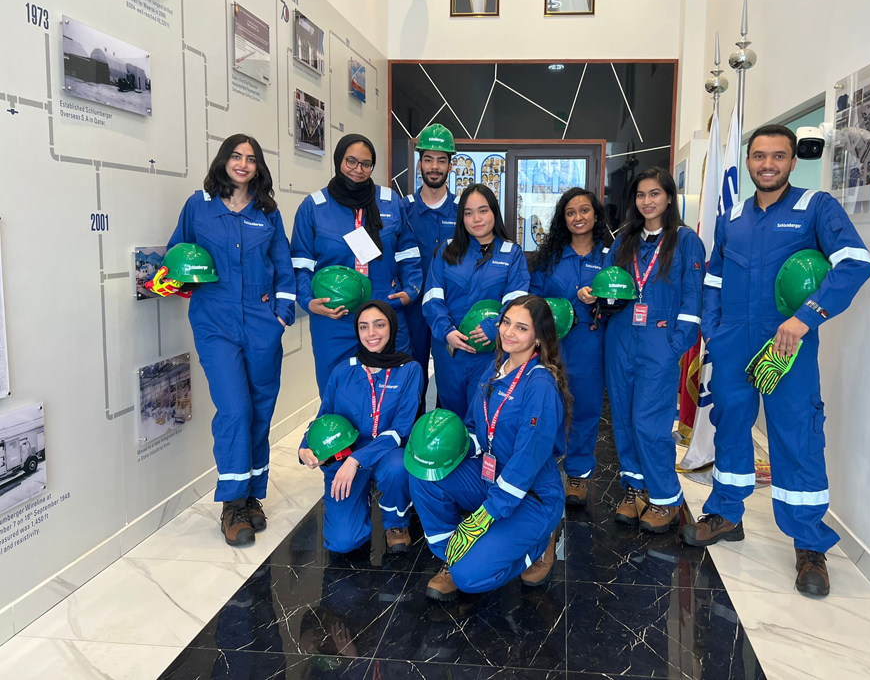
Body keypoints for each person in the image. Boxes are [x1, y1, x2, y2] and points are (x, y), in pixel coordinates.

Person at [680, 125, 870, 597]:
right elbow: (715, 279)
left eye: (779, 156)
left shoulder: (816, 208)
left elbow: (855, 261)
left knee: (796, 437)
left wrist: (806, 317)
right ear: (748, 162)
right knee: (730, 427)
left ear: (793, 161)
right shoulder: (734, 217)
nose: (768, 164)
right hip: (732, 345)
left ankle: (809, 543)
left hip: (787, 348)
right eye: (760, 156)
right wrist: (714, 329)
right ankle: (727, 513)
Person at [163, 134, 295, 546]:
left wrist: (281, 315)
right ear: (223, 161)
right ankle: (231, 504)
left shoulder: (267, 213)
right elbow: (176, 256)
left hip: (261, 322)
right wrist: (180, 283)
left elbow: (284, 269)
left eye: (251, 159)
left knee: (260, 408)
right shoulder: (197, 207)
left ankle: (254, 495)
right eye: (236, 156)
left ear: (258, 168)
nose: (243, 164)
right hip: (215, 322)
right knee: (234, 409)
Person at [410, 295, 569, 601]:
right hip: (490, 475)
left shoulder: (539, 385)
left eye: (521, 328)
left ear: (538, 337)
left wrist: (485, 515)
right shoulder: (497, 366)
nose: (509, 332)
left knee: (470, 578)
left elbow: (526, 461)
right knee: (424, 471)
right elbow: (474, 426)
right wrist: (443, 447)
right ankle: (452, 557)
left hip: (532, 494)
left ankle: (539, 542)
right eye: (506, 322)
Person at [603, 168, 706, 534]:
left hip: (658, 342)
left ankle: (665, 498)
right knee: (625, 419)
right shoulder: (624, 239)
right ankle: (635, 487)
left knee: (650, 422)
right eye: (641, 195)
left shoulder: (685, 240)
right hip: (620, 339)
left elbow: (694, 296)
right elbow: (608, 284)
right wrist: (595, 296)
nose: (647, 201)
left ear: (668, 197)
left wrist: (676, 344)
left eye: (655, 194)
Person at [290, 134, 422, 392]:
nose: (358, 169)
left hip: (386, 308)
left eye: (366, 164)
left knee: (394, 390)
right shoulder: (314, 206)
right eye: (351, 161)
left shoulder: (389, 201)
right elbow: (301, 262)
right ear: (339, 160)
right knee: (336, 390)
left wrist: (411, 290)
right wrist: (307, 301)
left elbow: (408, 253)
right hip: (334, 316)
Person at [298, 301, 423, 555]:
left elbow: (401, 429)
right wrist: (305, 448)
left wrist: (356, 460)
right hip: (345, 455)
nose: (372, 334)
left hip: (388, 452)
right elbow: (325, 417)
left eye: (379, 325)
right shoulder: (343, 371)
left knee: (398, 468)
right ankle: (359, 501)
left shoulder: (409, 370)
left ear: (392, 327)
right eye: (364, 327)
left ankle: (396, 524)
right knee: (343, 542)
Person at [421, 184, 530, 420]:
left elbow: (518, 302)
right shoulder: (446, 251)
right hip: (449, 350)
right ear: (462, 218)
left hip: (490, 352)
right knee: (450, 416)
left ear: (494, 213)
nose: (476, 219)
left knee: (483, 415)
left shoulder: (512, 254)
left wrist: (495, 328)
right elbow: (432, 297)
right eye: (468, 213)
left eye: (483, 210)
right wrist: (446, 331)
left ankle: (482, 458)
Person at [529, 188, 609, 505]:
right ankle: (542, 470)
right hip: (552, 346)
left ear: (596, 215)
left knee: (586, 410)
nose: (578, 217)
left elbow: (623, 299)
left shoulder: (609, 257)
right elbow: (532, 300)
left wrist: (603, 299)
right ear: (563, 219)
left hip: (591, 344)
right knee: (547, 409)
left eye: (585, 210)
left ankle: (577, 474)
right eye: (571, 212)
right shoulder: (548, 258)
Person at [404, 124, 459, 414]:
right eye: (428, 159)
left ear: (451, 164)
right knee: (411, 378)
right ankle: (409, 442)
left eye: (441, 160)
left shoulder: (465, 212)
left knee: (450, 382)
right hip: (410, 311)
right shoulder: (403, 209)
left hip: (450, 310)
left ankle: (445, 443)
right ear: (419, 162)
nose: (434, 167)